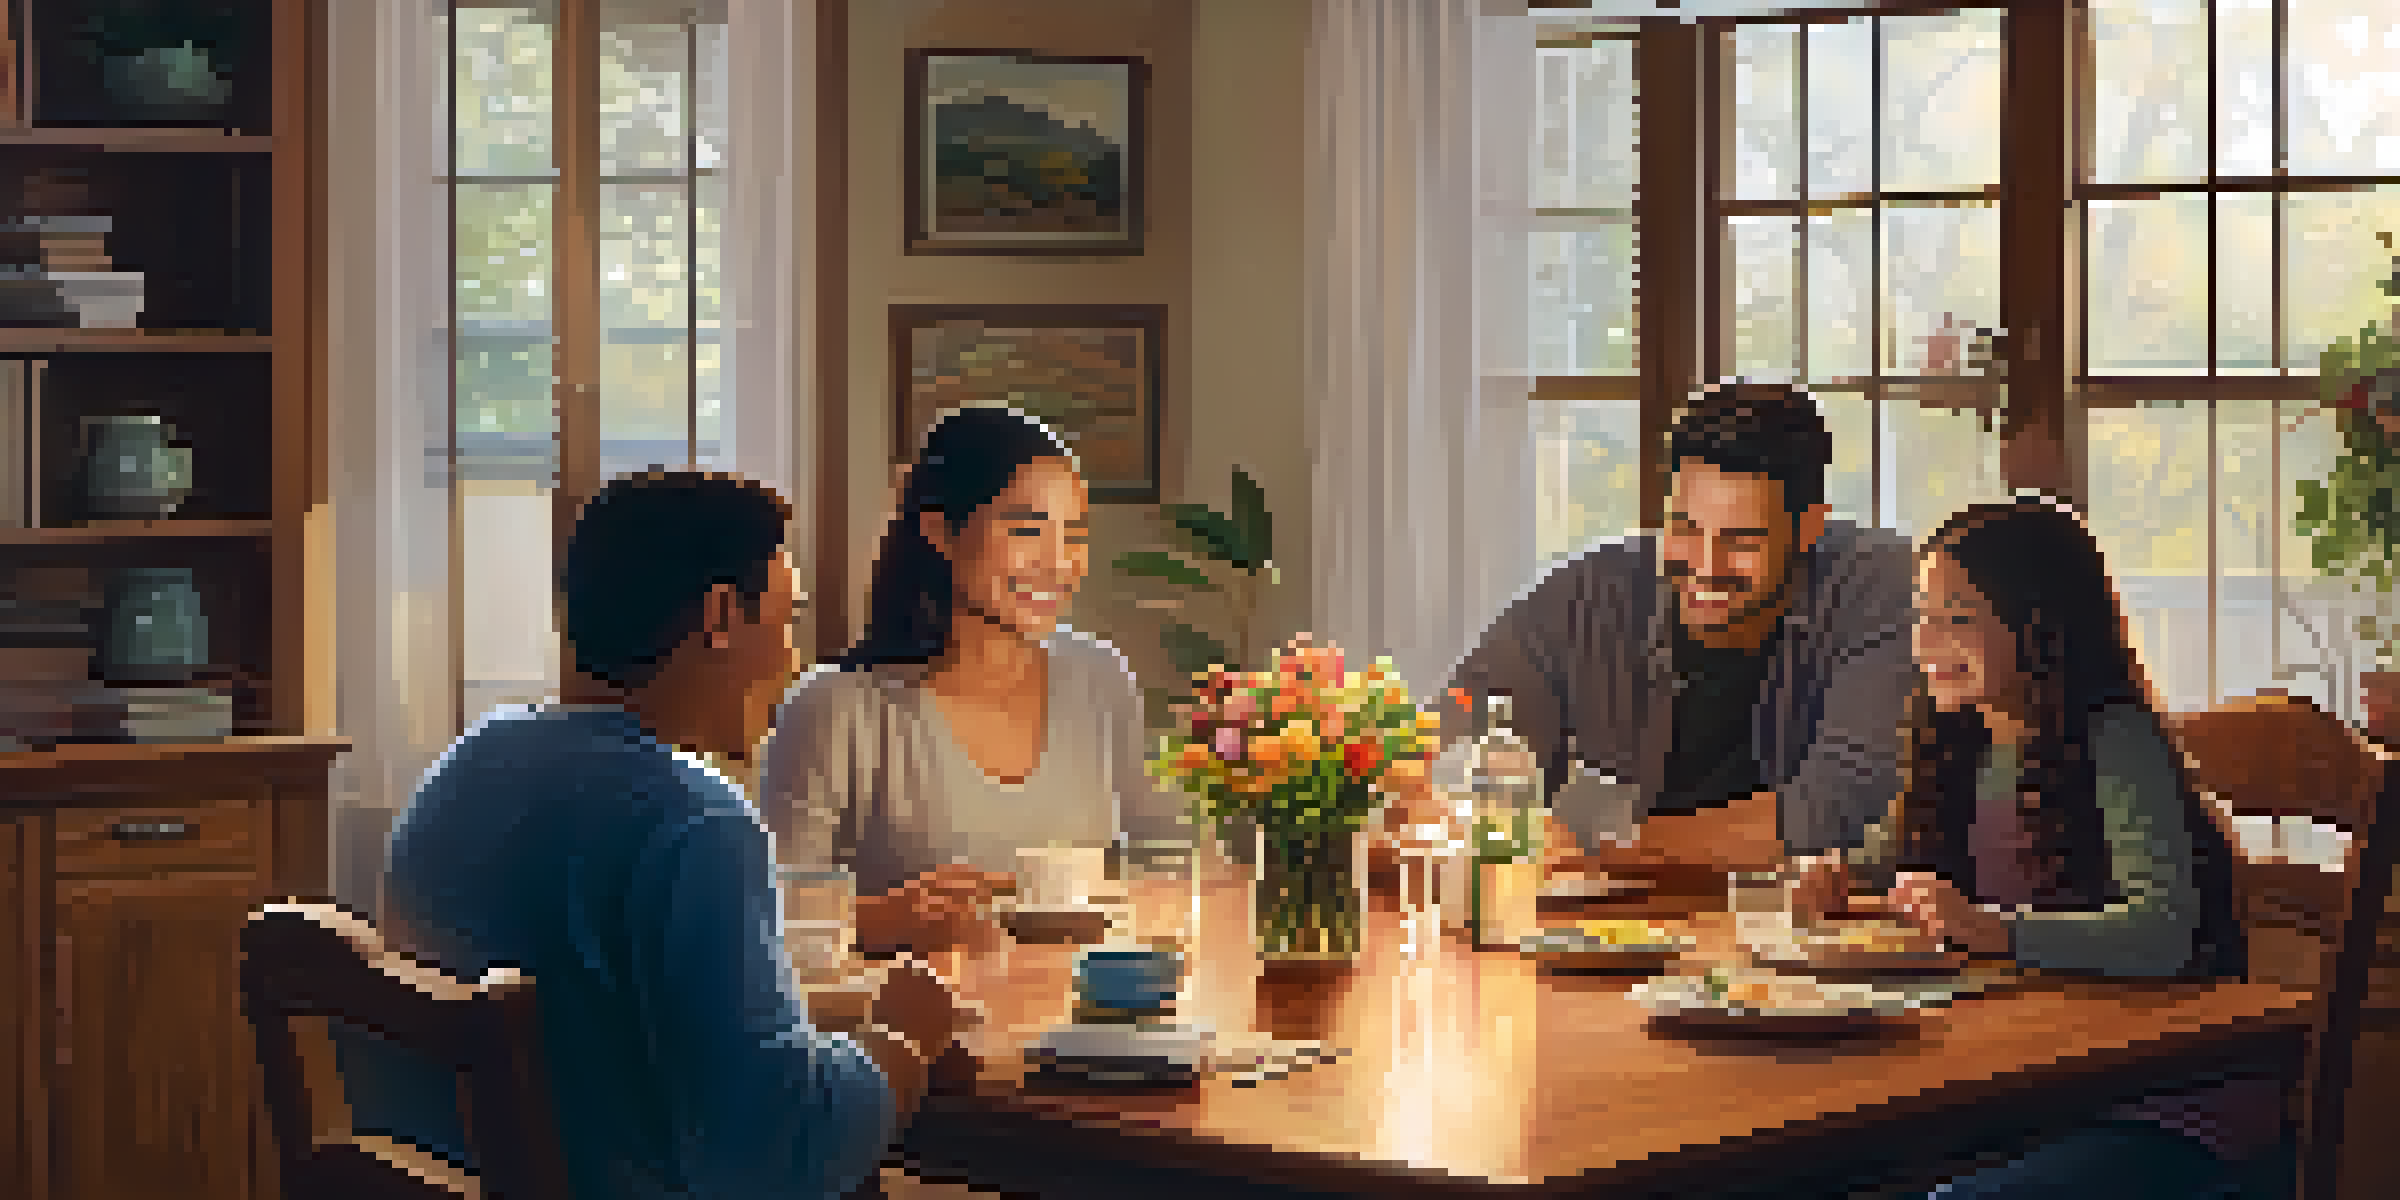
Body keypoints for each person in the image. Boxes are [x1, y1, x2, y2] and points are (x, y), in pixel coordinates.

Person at [343, 470, 975, 1200]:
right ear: (720, 615)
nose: (794, 661)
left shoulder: (466, 768)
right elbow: (778, 1158)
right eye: (787, 620)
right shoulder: (694, 823)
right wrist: (902, 1039)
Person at [1786, 496, 2282, 1200]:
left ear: (2041, 626)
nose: (1928, 643)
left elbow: (2164, 933)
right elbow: (1876, 863)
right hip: (2034, 1088)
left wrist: (1990, 930)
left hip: (2165, 1104)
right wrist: (1828, 877)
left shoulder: (2113, 739)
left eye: (1959, 619)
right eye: (1923, 617)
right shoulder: (1958, 744)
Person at [1393, 382, 1918, 873]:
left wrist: (1608, 844)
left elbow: (1842, 800)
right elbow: (1453, 735)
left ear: (1809, 527)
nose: (1706, 566)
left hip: (1812, 941)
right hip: (1612, 933)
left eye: (1741, 541)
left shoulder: (1880, 584)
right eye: (1685, 529)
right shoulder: (1590, 595)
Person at [761, 405, 1188, 955]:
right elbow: (764, 916)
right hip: (910, 1033)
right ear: (941, 532)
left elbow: (1168, 855)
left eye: (1074, 535)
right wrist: (883, 919)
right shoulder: (836, 706)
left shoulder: (1100, 677)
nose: (1059, 564)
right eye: (1027, 529)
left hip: (1084, 1024)